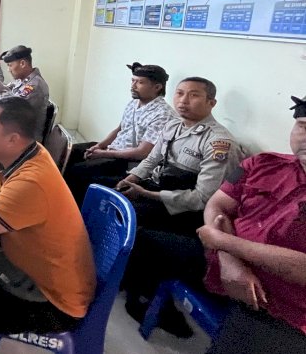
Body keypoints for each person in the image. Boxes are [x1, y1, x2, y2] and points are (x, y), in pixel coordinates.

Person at [0, 97, 96, 338]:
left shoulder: (31, 182)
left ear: (12, 138)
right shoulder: (23, 152)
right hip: (28, 263)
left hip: (52, 302)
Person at [196, 95, 306, 353]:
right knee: (146, 244)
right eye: (303, 125)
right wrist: (229, 259)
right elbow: (218, 205)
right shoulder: (261, 163)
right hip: (219, 263)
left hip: (279, 305)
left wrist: (223, 242)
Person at [116, 77, 245, 235]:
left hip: (183, 209)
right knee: (103, 189)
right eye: (179, 93)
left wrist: (147, 194)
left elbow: (203, 198)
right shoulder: (173, 125)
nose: (183, 101)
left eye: (193, 95)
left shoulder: (218, 143)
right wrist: (132, 178)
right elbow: (151, 159)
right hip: (158, 186)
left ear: (211, 103)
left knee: (121, 215)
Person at [63, 62, 175, 205]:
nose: (133, 86)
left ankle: (75, 210)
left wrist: (103, 153)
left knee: (77, 171)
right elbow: (119, 129)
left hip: (128, 161)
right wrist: (99, 145)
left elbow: (142, 153)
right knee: (70, 152)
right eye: (132, 81)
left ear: (157, 87)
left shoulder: (162, 114)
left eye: (139, 82)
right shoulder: (134, 103)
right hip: (113, 150)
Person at [0, 45, 51, 140]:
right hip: (17, 133)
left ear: (22, 63)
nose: (8, 70)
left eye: (10, 65)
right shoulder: (22, 80)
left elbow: (9, 109)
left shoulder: (34, 86)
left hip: (26, 141)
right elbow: (4, 90)